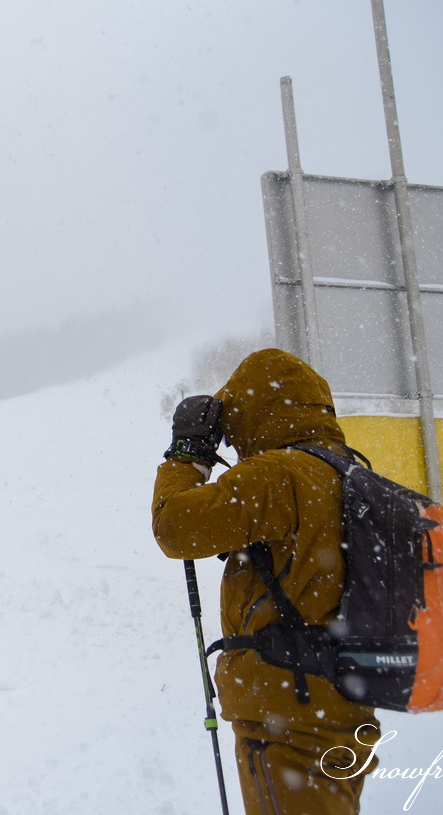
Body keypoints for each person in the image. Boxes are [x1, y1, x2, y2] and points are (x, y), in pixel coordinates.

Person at [152, 348, 380, 815]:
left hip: (289, 717)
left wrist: (187, 455)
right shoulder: (353, 473)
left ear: (257, 412)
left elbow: (175, 528)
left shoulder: (280, 474)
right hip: (343, 706)